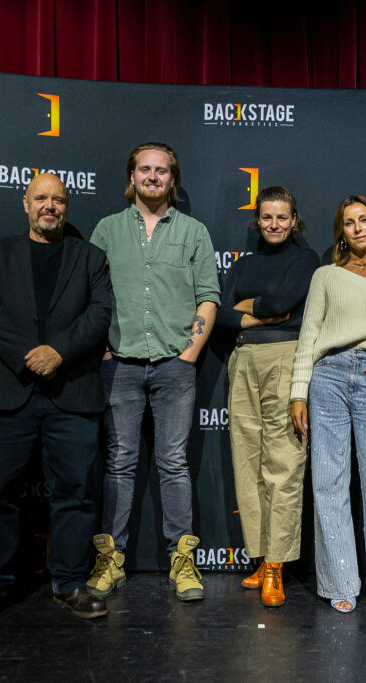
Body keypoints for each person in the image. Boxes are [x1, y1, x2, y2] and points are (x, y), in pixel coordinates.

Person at [0, 173, 113, 625]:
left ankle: (71, 584)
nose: (50, 206)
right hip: (9, 392)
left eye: (58, 199)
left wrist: (59, 351)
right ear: (25, 204)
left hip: (72, 394)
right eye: (41, 198)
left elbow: (100, 313)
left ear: (67, 205)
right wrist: (29, 358)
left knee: (76, 495)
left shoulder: (91, 257)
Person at [87, 142, 220, 602]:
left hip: (174, 367)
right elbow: (93, 295)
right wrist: (103, 349)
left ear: (172, 179)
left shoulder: (194, 232)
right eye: (145, 169)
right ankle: (111, 560)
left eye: (161, 171)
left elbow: (209, 295)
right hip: (118, 365)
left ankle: (183, 564)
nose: (153, 177)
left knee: (174, 464)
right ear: (131, 176)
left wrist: (190, 352)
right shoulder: (106, 230)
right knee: (119, 464)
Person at [289, 194, 366, 614]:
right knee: (329, 485)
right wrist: (298, 391)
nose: (357, 228)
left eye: (363, 219)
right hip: (329, 377)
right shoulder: (326, 275)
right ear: (341, 231)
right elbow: (309, 334)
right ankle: (340, 581)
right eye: (348, 222)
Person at [218, 186, 319, 608]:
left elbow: (283, 302)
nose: (275, 224)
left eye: (282, 217)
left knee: (284, 462)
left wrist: (248, 310)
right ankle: (260, 558)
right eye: (267, 217)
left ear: (294, 220)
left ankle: (278, 563)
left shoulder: (307, 259)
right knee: (248, 463)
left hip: (285, 357)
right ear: (257, 221)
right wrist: (253, 312)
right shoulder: (244, 263)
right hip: (243, 362)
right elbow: (221, 312)